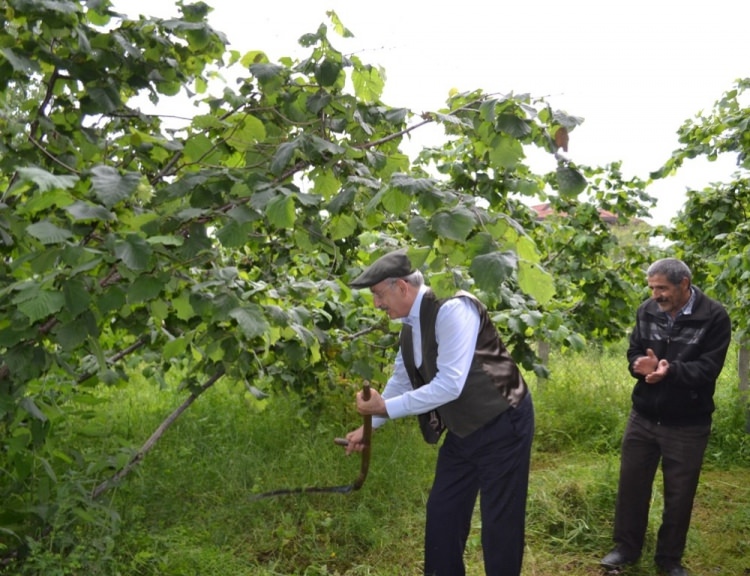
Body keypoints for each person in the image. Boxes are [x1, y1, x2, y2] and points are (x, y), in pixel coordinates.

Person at [344, 248, 534, 576]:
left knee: (499, 522)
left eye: (377, 295)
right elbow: (402, 380)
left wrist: (386, 407)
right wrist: (370, 426)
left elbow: (450, 385)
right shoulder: (409, 326)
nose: (376, 304)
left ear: (401, 287)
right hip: (464, 433)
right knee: (443, 514)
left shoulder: (453, 309)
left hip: (504, 422)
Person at [600, 258, 731, 576]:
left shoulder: (713, 316)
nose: (656, 295)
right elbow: (634, 350)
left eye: (662, 288)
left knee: (679, 494)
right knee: (631, 486)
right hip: (643, 416)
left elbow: (708, 369)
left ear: (684, 284)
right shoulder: (646, 310)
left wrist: (668, 371)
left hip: (688, 423)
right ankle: (626, 549)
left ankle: (669, 560)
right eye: (652, 288)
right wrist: (637, 366)